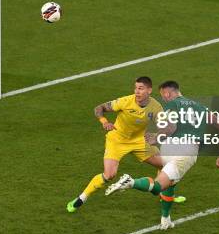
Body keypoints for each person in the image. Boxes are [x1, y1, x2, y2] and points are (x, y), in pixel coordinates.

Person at [106, 80, 219, 230]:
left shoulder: (171, 105)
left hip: (168, 148)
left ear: (168, 93)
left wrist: (157, 137)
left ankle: (166, 218)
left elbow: (170, 127)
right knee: (158, 186)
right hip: (186, 151)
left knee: (170, 183)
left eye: (163, 95)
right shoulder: (201, 107)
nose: (163, 99)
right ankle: (131, 182)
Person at [67, 77, 167, 213]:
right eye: (135, 88)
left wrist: (156, 137)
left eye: (141, 88)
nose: (137, 92)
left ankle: (164, 194)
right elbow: (99, 108)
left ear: (149, 90)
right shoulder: (125, 101)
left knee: (165, 165)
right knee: (109, 175)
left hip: (139, 141)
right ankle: (81, 198)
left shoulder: (156, 107)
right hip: (117, 140)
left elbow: (165, 126)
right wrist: (104, 121)